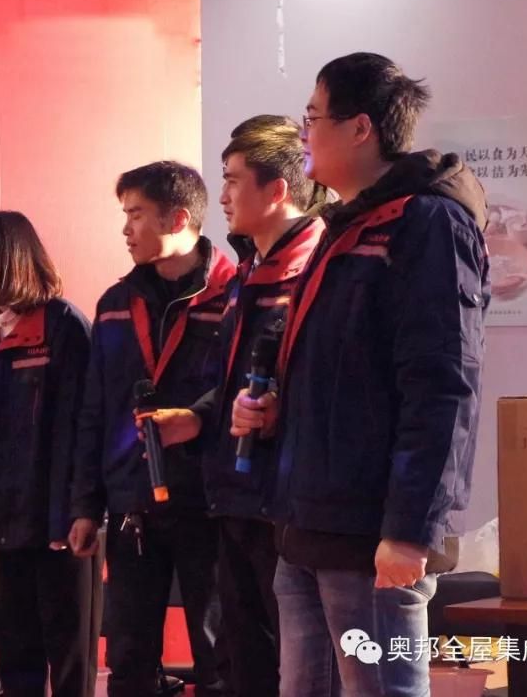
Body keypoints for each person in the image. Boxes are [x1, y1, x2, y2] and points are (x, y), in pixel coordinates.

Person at [232, 52, 490, 697]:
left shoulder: (427, 223)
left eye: (313, 117)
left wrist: (409, 530)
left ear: (360, 128)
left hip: (370, 532)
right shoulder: (343, 227)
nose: (303, 134)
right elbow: (343, 373)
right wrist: (274, 409)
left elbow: (442, 385)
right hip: (307, 522)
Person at [149, 117, 325, 696]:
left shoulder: (317, 267)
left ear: (276, 190)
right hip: (234, 495)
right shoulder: (247, 272)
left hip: (287, 505)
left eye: (231, 180)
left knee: (303, 668)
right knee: (242, 660)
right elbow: (234, 383)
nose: (221, 195)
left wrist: (278, 411)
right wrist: (198, 416)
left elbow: (331, 386)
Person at [67, 161, 233, 697]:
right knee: (128, 657)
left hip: (211, 505)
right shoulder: (116, 303)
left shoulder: (234, 295)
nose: (126, 229)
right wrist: (86, 506)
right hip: (131, 505)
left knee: (220, 657)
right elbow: (94, 411)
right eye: (125, 215)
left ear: (178, 218)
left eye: (136, 215)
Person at [0, 211, 100, 697]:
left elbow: (83, 429)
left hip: (62, 529)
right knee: (15, 652)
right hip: (6, 525)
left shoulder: (64, 326)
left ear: (9, 258)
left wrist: (79, 510)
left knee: (69, 658)